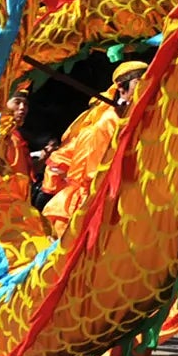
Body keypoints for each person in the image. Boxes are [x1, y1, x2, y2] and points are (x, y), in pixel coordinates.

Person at [39, 61, 145, 240]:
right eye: (139, 81)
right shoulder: (108, 121)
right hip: (86, 206)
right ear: (121, 88)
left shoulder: (132, 117)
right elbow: (95, 175)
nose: (145, 85)